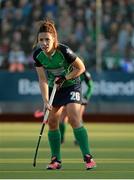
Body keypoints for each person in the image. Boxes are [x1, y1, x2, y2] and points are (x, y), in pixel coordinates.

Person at [33, 19, 96, 170]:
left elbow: (80, 68)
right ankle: (56, 160)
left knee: (74, 117)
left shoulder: (64, 51)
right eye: (41, 39)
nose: (44, 43)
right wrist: (46, 100)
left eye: (47, 39)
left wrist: (65, 78)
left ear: (54, 38)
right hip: (54, 88)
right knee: (53, 122)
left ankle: (88, 157)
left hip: (72, 85)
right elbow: (42, 80)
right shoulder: (38, 55)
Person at [59, 70, 93, 144]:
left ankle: (78, 139)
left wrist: (86, 96)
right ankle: (61, 138)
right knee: (62, 117)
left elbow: (91, 86)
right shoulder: (67, 71)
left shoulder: (85, 74)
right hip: (68, 96)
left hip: (80, 98)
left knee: (77, 117)